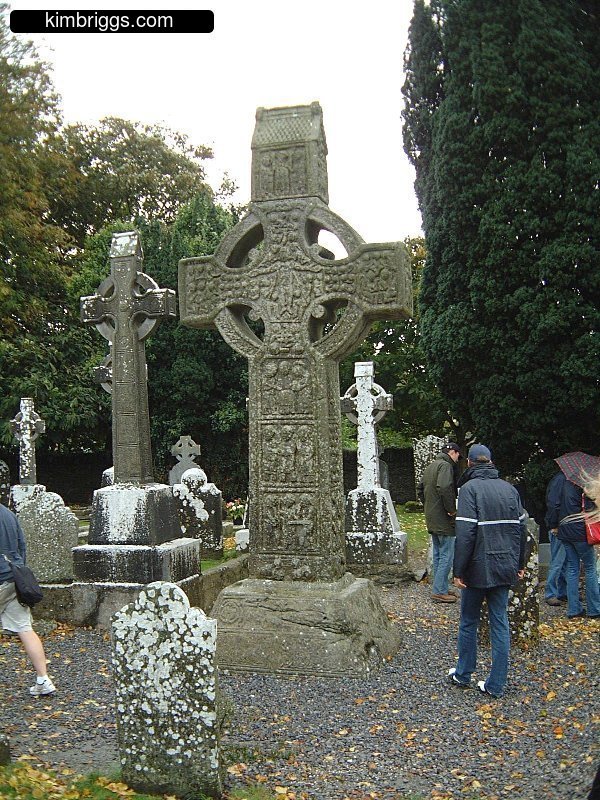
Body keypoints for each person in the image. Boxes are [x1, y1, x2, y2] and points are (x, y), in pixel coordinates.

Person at [448, 444, 527, 698]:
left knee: (469, 621)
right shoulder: (510, 490)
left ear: (470, 463)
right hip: (505, 566)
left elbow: (466, 534)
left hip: (477, 568)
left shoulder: (469, 490)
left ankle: (463, 673)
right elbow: (522, 531)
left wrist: (458, 570)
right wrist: (520, 564)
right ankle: (496, 684)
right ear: (490, 462)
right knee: (499, 623)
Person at [0, 503, 56, 696]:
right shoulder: (8, 514)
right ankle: (43, 679)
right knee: (25, 628)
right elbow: (21, 546)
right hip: (14, 579)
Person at [546, 466, 600, 619]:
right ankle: (594, 608)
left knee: (572, 568)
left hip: (565, 530)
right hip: (581, 532)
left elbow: (555, 504)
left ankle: (573, 609)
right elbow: (591, 510)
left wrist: (553, 524)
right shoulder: (587, 487)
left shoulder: (565, 483)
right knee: (590, 569)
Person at [417, 442, 461, 603]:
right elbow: (444, 487)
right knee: (446, 554)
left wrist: (428, 505)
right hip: (444, 518)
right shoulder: (445, 466)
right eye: (458, 455)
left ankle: (439, 586)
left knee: (438, 553)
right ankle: (439, 591)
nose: (458, 459)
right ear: (453, 453)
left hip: (432, 516)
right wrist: (451, 510)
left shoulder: (431, 466)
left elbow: (420, 488)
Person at [544, 472, 568, 606]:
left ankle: (561, 592)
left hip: (563, 525)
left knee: (564, 562)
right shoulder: (561, 480)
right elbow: (553, 504)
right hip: (560, 526)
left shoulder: (560, 479)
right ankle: (551, 593)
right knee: (558, 562)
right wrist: (554, 525)